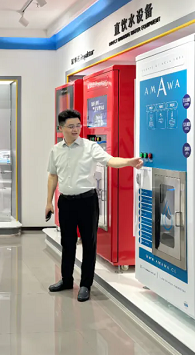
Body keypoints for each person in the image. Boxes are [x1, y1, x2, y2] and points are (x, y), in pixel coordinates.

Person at [46, 109, 143, 302]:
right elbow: (53, 175)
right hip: (65, 202)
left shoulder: (90, 147)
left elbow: (110, 160)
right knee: (67, 243)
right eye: (71, 126)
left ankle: (85, 285)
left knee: (89, 244)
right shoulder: (56, 150)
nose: (75, 129)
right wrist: (48, 202)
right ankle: (66, 280)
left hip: (87, 201)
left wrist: (128, 162)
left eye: (78, 125)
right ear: (61, 128)